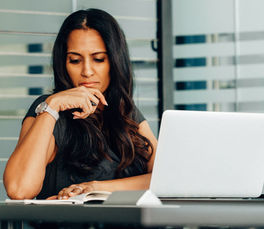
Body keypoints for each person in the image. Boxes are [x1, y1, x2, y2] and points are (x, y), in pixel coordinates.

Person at [3, 8, 157, 200]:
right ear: (63, 64)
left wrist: (95, 188)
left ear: (115, 61)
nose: (87, 71)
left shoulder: (125, 112)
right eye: (75, 60)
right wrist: (52, 105)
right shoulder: (49, 113)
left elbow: (165, 179)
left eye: (98, 59)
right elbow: (18, 189)